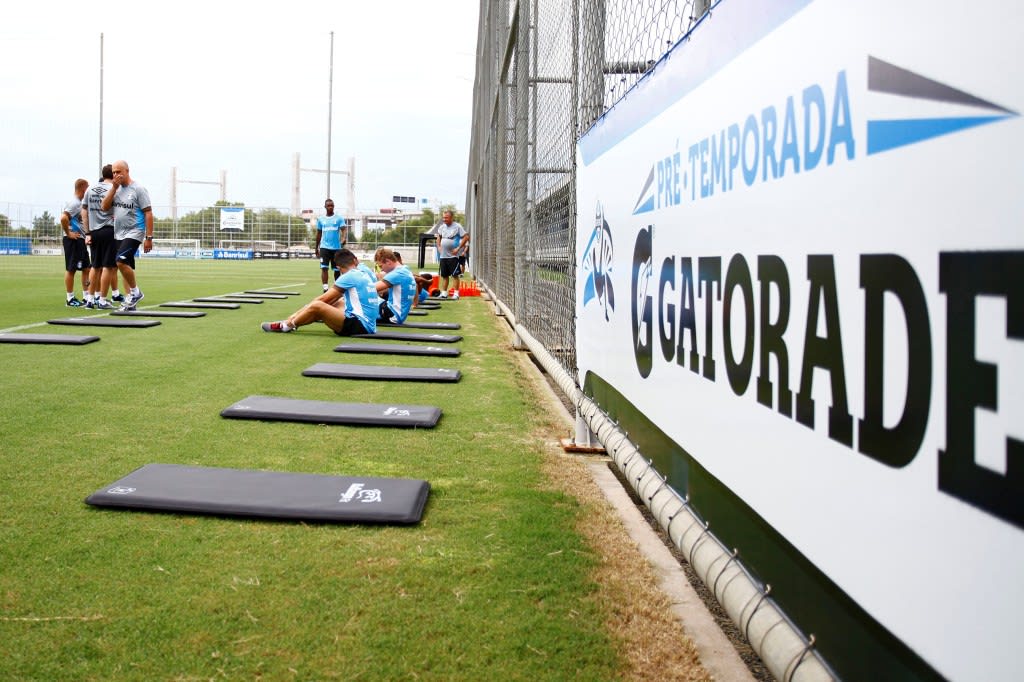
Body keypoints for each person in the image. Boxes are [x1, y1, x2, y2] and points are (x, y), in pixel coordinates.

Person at [261, 249, 378, 335]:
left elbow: (321, 300)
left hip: (360, 326)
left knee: (318, 305)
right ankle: (293, 322)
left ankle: (286, 325)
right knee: (336, 302)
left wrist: (294, 314)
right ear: (354, 260)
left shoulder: (349, 276)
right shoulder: (363, 274)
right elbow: (331, 299)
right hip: (369, 325)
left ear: (338, 267)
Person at [100, 160, 152, 311]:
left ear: (127, 171)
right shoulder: (115, 189)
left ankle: (135, 293)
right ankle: (131, 304)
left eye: (119, 172)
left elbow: (148, 212)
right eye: (114, 172)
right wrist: (113, 188)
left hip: (135, 231)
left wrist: (149, 237)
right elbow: (104, 207)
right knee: (125, 266)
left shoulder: (138, 189)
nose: (116, 175)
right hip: (119, 234)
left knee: (120, 262)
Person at [82, 165, 120, 309]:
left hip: (94, 231)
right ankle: (103, 300)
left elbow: (84, 211)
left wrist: (87, 232)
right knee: (108, 267)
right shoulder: (116, 189)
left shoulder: (90, 189)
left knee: (95, 266)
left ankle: (90, 300)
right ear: (114, 174)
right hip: (109, 229)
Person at [60, 179, 91, 306]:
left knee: (86, 268)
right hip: (72, 240)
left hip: (80, 240)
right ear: (83, 188)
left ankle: (86, 296)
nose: (89, 190)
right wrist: (68, 233)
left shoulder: (80, 203)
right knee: (71, 269)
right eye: (87, 187)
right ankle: (70, 298)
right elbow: (63, 218)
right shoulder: (74, 203)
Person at [373, 247, 416, 324]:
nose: (381, 269)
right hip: (398, 314)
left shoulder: (397, 274)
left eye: (380, 266)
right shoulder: (405, 269)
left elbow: (369, 289)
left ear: (388, 262)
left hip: (391, 314)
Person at [435, 210, 469, 299]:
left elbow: (466, 237)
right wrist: (438, 246)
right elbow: (439, 237)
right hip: (443, 256)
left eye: (446, 217)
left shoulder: (457, 226)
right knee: (444, 276)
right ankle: (444, 293)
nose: (444, 219)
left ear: (451, 218)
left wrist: (458, 248)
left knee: (455, 275)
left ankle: (456, 294)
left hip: (453, 256)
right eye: (443, 217)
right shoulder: (442, 227)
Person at [315, 198, 347, 292]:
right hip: (324, 247)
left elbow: (344, 229)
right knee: (324, 268)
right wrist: (316, 247)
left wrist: (343, 238)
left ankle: (336, 289)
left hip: (336, 248)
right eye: (328, 205)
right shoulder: (321, 219)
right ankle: (325, 289)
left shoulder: (339, 218)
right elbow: (319, 233)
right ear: (325, 207)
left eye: (332, 205)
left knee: (337, 269)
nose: (330, 207)